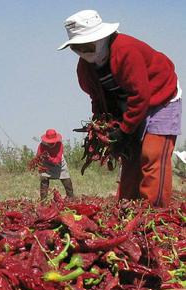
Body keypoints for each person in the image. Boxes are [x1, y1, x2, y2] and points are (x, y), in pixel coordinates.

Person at [58, 9, 182, 207]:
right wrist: (107, 126)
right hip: (131, 105)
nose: (82, 50)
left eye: (86, 44)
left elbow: (141, 96)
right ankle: (127, 206)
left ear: (100, 38)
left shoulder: (125, 50)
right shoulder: (85, 68)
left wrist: (125, 130)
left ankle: (154, 211)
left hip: (161, 98)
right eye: (77, 46)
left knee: (153, 153)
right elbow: (98, 99)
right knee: (130, 155)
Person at [36, 129, 74, 200]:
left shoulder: (59, 145)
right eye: (49, 142)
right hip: (46, 164)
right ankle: (43, 201)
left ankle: (71, 197)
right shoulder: (42, 145)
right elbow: (38, 156)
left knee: (66, 180)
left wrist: (48, 157)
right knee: (44, 181)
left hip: (59, 163)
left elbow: (57, 160)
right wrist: (40, 166)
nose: (50, 144)